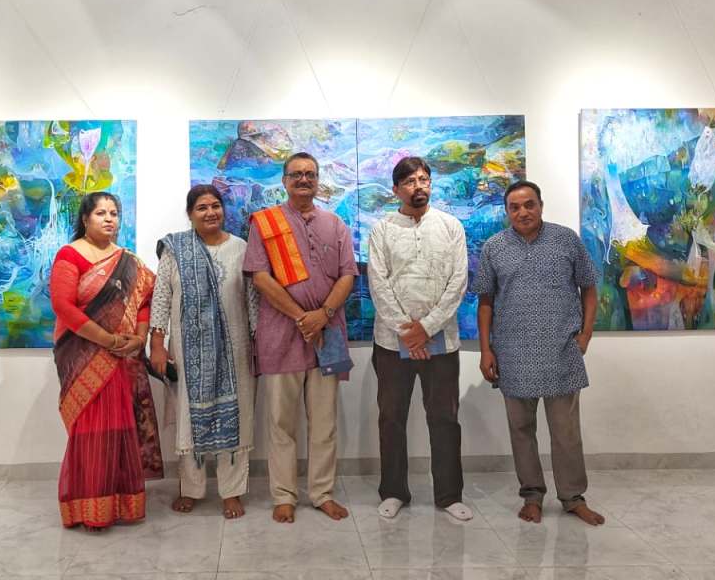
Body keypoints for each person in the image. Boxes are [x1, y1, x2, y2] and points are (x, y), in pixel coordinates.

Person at [472, 180, 605, 526]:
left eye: (529, 204)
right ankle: (532, 495)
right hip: (512, 354)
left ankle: (573, 497)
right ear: (507, 212)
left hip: (561, 351)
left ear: (541, 205)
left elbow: (589, 287)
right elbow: (485, 301)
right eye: (514, 207)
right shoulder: (494, 247)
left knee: (566, 432)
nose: (522, 212)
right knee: (521, 430)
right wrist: (486, 350)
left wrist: (586, 333)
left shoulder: (565, 240)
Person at [243, 152, 358, 523]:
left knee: (325, 421)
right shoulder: (265, 224)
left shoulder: (335, 224)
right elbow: (260, 277)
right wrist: (300, 317)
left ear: (318, 180)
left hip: (329, 334)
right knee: (281, 421)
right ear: (284, 180)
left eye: (310, 174)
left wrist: (321, 316)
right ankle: (284, 495)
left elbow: (347, 275)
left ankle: (322, 492)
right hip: (280, 334)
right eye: (296, 174)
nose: (303, 179)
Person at [367, 156, 473, 521]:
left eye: (424, 179)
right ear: (396, 189)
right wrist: (407, 332)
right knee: (391, 417)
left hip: (441, 341)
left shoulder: (451, 226)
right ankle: (394, 491)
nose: (419, 186)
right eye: (410, 181)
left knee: (445, 418)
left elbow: (458, 282)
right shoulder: (381, 229)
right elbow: (378, 284)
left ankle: (448, 495)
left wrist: (426, 328)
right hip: (391, 341)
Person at [49, 191, 163, 530]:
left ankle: (122, 504)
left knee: (119, 427)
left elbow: (146, 298)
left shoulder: (128, 261)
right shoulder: (71, 255)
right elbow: (63, 306)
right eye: (101, 213)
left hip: (122, 358)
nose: (109, 218)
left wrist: (140, 338)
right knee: (91, 429)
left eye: (114, 212)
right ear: (86, 219)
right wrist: (107, 340)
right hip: (83, 353)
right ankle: (89, 507)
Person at [148, 184, 258, 520]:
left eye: (215, 206)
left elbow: (252, 299)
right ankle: (191, 488)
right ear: (190, 214)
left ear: (223, 210)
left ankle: (232, 491)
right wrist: (157, 341)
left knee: (236, 416)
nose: (210, 212)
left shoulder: (241, 248)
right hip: (187, 349)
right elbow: (161, 296)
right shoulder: (176, 250)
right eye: (201, 208)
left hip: (235, 347)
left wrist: (258, 339)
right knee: (188, 417)